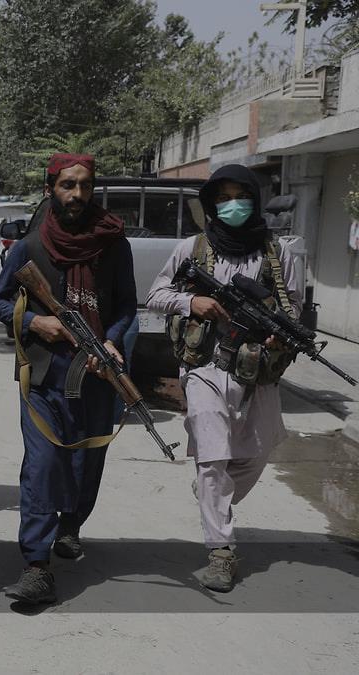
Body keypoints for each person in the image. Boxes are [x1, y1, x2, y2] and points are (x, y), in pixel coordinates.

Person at [0, 154, 136, 605]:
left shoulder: (113, 245)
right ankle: (36, 565)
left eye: (85, 185)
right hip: (43, 377)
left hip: (96, 374)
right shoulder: (30, 247)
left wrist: (111, 341)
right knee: (43, 464)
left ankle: (70, 524)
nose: (77, 194)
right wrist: (36, 322)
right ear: (50, 188)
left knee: (86, 460)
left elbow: (126, 307)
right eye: (68, 185)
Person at [146, 164, 302, 593]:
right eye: (224, 198)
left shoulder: (278, 253)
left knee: (257, 453)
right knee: (213, 459)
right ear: (212, 204)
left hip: (259, 370)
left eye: (242, 196)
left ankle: (211, 495)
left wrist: (280, 330)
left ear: (255, 199)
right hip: (206, 367)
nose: (233, 205)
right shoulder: (193, 248)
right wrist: (191, 303)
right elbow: (156, 295)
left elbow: (294, 306)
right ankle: (221, 551)